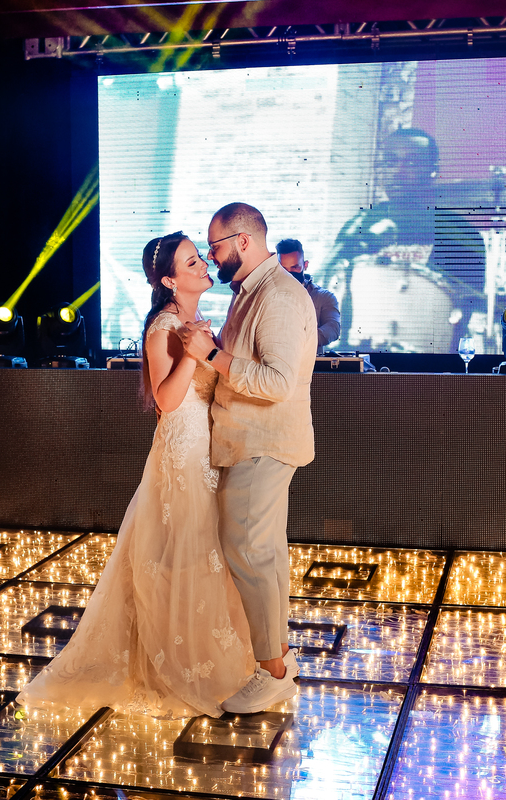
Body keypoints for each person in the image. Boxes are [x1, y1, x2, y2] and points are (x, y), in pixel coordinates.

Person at [16, 231, 255, 718]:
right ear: (169, 280)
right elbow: (167, 402)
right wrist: (194, 353)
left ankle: (213, 658)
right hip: (184, 450)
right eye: (193, 262)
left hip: (209, 446)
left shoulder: (195, 321)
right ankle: (180, 666)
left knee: (208, 554)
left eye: (201, 258)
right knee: (184, 554)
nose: (205, 264)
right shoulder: (164, 327)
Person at [180, 202, 317, 714]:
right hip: (248, 441)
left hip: (263, 442)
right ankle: (277, 658)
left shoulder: (278, 295)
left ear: (242, 241)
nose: (211, 257)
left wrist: (209, 354)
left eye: (214, 247)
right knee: (263, 556)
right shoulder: (250, 291)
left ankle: (273, 671)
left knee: (251, 555)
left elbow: (278, 383)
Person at [314, 127, 486, 352]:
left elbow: (469, 304)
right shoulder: (359, 225)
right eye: (390, 162)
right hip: (359, 354)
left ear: (432, 171)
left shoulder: (459, 232)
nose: (398, 171)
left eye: (412, 163)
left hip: (429, 359)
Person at [276, 238, 341, 353]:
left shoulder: (324, 297)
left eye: (295, 267)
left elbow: (333, 328)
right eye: (283, 269)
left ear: (305, 265)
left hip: (311, 368)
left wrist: (298, 340)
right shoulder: (268, 295)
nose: (289, 273)